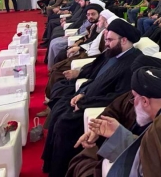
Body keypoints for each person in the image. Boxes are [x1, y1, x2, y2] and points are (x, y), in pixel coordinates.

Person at [41, 19, 144, 177]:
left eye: (109, 40)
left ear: (124, 40)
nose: (106, 44)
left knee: (64, 123)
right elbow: (95, 67)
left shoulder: (133, 63)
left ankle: (60, 171)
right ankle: (50, 162)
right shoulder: (113, 52)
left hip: (95, 103)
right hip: (87, 91)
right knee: (60, 101)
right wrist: (81, 82)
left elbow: (119, 97)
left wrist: (84, 101)